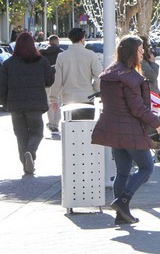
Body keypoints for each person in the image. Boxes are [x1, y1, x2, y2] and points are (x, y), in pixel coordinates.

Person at [91, 36, 160, 224]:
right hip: (131, 130)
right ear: (132, 51)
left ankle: (121, 215)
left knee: (123, 172)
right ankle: (122, 202)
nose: (143, 53)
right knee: (147, 167)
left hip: (114, 129)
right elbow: (138, 108)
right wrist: (157, 122)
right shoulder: (131, 77)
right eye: (140, 49)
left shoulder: (109, 74)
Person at [0, 32, 55, 174]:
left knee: (20, 135)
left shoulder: (8, 64)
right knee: (37, 133)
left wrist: (5, 103)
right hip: (35, 105)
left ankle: (26, 164)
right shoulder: (41, 61)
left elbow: (2, 86)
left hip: (15, 106)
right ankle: (30, 152)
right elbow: (49, 82)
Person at [49, 27, 102, 124]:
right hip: (87, 98)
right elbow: (99, 76)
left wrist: (53, 98)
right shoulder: (91, 55)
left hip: (68, 99)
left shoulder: (62, 56)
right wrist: (95, 90)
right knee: (86, 132)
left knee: (70, 132)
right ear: (83, 39)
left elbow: (57, 80)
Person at [41, 35, 64, 135]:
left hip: (46, 82)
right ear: (57, 42)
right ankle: (55, 125)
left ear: (49, 42)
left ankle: (51, 123)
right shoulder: (62, 53)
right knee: (58, 102)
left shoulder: (42, 53)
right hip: (59, 81)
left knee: (50, 103)